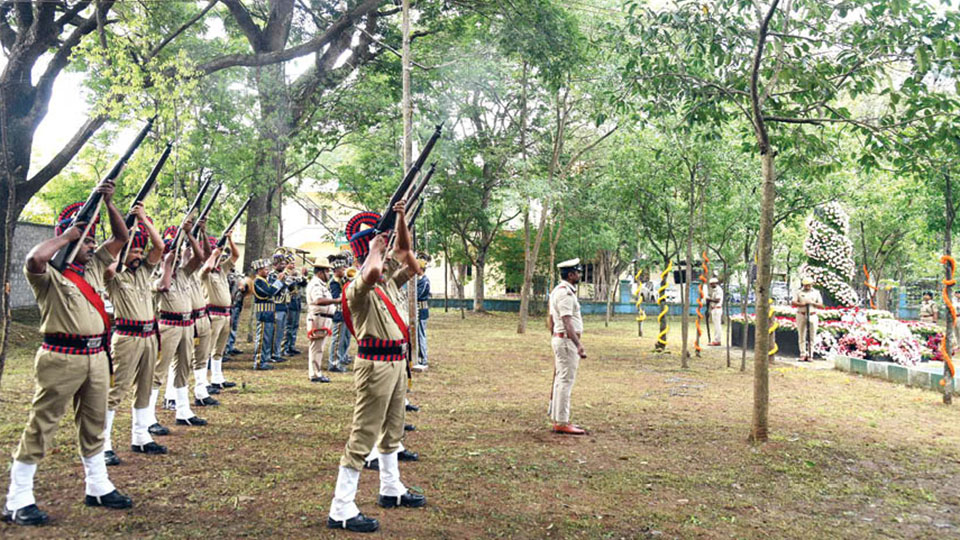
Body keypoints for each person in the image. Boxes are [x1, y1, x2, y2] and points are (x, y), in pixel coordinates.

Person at [4, 183, 133, 526]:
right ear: (70, 239)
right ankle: (18, 498)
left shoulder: (91, 269)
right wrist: (67, 237)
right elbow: (35, 258)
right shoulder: (49, 275)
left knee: (94, 427)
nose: (92, 246)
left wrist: (108, 203)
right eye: (86, 241)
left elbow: (121, 237)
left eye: (92, 240)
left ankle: (98, 485)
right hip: (61, 357)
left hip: (96, 357)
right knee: (42, 425)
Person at [328, 204, 426, 533]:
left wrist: (399, 223)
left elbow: (412, 263)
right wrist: (374, 250)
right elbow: (369, 273)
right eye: (380, 254)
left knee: (393, 431)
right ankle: (341, 507)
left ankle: (390, 488)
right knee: (363, 435)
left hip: (397, 363)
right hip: (375, 366)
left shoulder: (388, 285)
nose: (386, 262)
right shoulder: (358, 286)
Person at [100, 209, 167, 467]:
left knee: (145, 386)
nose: (139, 256)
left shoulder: (143, 273)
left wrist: (144, 220)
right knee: (116, 390)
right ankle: (103, 443)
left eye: (140, 252)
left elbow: (159, 247)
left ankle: (140, 436)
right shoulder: (115, 277)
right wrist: (123, 237)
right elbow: (109, 266)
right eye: (134, 252)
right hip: (126, 337)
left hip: (149, 336)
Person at [153, 223, 208, 427]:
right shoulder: (156, 274)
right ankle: (148, 417)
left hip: (187, 324)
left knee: (183, 367)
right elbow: (164, 286)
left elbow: (200, 257)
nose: (175, 259)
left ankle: (183, 410)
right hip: (168, 325)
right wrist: (166, 264)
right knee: (159, 370)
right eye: (171, 255)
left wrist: (190, 235)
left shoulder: (183, 273)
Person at [547, 258, 588, 436]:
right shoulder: (565, 294)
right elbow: (566, 320)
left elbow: (550, 319)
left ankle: (558, 418)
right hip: (566, 341)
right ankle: (562, 422)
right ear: (571, 275)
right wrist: (577, 345)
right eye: (577, 272)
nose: (579, 275)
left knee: (560, 380)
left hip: (561, 339)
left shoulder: (558, 290)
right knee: (565, 381)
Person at [186, 226, 218, 408]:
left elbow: (205, 257)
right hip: (188, 320)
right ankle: (171, 396)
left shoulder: (195, 272)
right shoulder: (184, 273)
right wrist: (214, 253)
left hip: (202, 317)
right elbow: (208, 261)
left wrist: (203, 232)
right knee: (180, 362)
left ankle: (200, 390)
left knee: (202, 357)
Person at [203, 235, 239, 391]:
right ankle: (203, 381)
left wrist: (230, 239)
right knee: (206, 350)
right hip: (213, 313)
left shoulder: (222, 270)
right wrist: (214, 254)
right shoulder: (205, 271)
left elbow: (235, 255)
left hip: (225, 314)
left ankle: (217, 378)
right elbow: (206, 267)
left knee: (219, 350)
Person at [307, 259, 338, 382]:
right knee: (316, 348)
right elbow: (318, 300)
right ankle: (315, 374)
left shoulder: (320, 284)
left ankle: (316, 372)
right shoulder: (316, 284)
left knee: (319, 348)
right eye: (327, 271)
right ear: (321, 272)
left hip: (323, 318)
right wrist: (337, 301)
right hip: (318, 318)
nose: (329, 274)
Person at [252, 259, 285, 370]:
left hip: (269, 313)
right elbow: (269, 292)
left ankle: (265, 360)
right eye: (265, 269)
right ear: (259, 270)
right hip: (263, 313)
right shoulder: (258, 281)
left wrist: (283, 284)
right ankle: (259, 361)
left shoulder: (265, 281)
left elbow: (276, 292)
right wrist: (278, 281)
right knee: (262, 338)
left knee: (268, 338)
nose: (267, 271)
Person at [328, 251, 354, 373]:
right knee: (337, 339)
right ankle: (334, 363)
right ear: (337, 270)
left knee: (345, 338)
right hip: (339, 313)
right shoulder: (334, 282)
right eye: (342, 268)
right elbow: (336, 297)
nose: (345, 270)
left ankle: (341, 358)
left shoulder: (342, 280)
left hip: (346, 312)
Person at [792, 277, 824, 362]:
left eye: (809, 285)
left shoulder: (816, 292)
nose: (807, 287)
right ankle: (803, 354)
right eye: (806, 285)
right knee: (802, 335)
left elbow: (821, 304)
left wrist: (813, 303)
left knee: (812, 336)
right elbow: (793, 302)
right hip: (801, 314)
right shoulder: (798, 292)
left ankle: (810, 354)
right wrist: (802, 304)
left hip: (812, 314)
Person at [269, 253, 291, 363]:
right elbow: (274, 290)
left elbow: (290, 286)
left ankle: (277, 352)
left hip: (284, 306)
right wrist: (282, 281)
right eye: (281, 264)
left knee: (281, 332)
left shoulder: (283, 274)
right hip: (276, 306)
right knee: (276, 331)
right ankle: (272, 353)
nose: (283, 266)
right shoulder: (272, 275)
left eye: (284, 264)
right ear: (275, 264)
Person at [224, 268, 251, 356]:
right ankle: (226, 348)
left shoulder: (236, 273)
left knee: (234, 326)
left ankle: (230, 345)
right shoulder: (225, 274)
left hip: (237, 303)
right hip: (229, 304)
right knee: (228, 327)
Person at [412, 252, 431, 372]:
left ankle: (423, 358)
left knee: (421, 335)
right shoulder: (417, 280)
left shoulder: (424, 281)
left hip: (421, 309)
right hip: (417, 309)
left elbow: (417, 295)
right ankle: (418, 356)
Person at [284, 261, 307, 356]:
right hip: (289, 302)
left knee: (295, 325)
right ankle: (285, 347)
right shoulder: (284, 274)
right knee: (289, 326)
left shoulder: (296, 273)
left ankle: (291, 345)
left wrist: (303, 275)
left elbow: (303, 284)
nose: (293, 265)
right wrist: (293, 277)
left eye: (294, 263)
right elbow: (289, 286)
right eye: (290, 263)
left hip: (296, 302)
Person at [706, 277, 723, 347]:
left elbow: (718, 300)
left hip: (717, 309)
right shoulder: (715, 290)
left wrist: (709, 300)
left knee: (717, 325)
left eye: (711, 284)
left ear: (715, 283)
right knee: (716, 325)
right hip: (714, 309)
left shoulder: (718, 290)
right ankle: (716, 339)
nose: (711, 285)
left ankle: (717, 340)